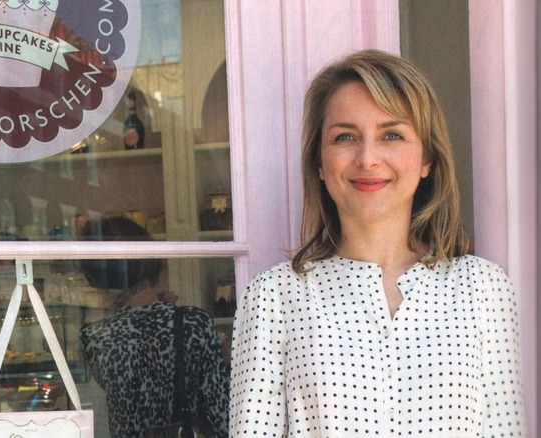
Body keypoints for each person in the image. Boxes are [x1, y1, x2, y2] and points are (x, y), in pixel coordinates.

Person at [230, 49, 526, 437]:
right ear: (319, 162)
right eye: (345, 137)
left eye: (391, 135)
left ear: (427, 159)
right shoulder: (274, 298)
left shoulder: (483, 289)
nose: (368, 158)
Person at [79, 216, 230, 437]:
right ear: (152, 261)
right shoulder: (193, 323)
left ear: (94, 280)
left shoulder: (93, 337)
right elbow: (221, 416)